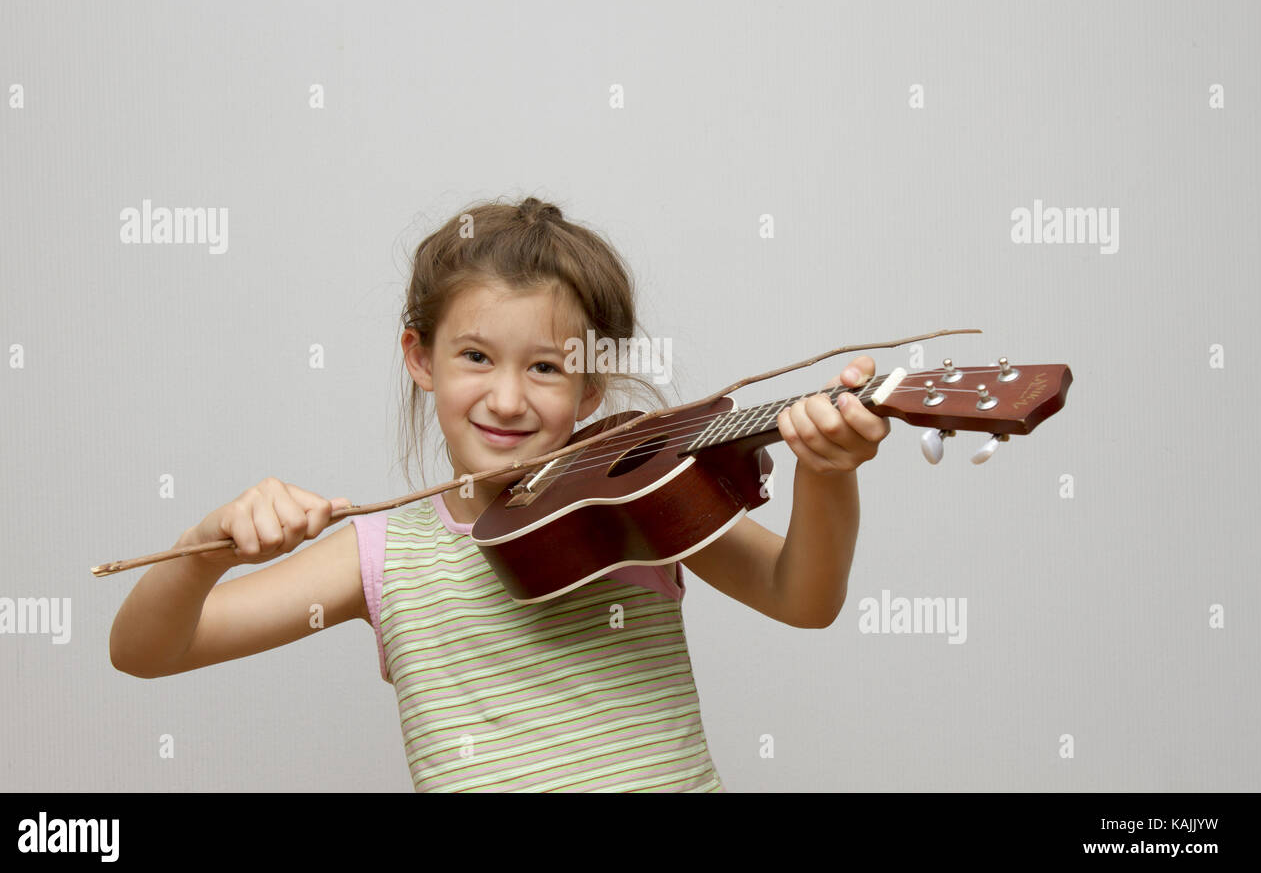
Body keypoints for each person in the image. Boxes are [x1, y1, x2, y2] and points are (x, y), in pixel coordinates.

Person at [108, 194, 889, 791]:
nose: (508, 399)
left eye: (546, 367)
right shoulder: (384, 555)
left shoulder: (634, 497)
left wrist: (828, 472)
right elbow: (148, 650)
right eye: (476, 356)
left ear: (591, 385)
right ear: (420, 358)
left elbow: (803, 598)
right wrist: (204, 548)